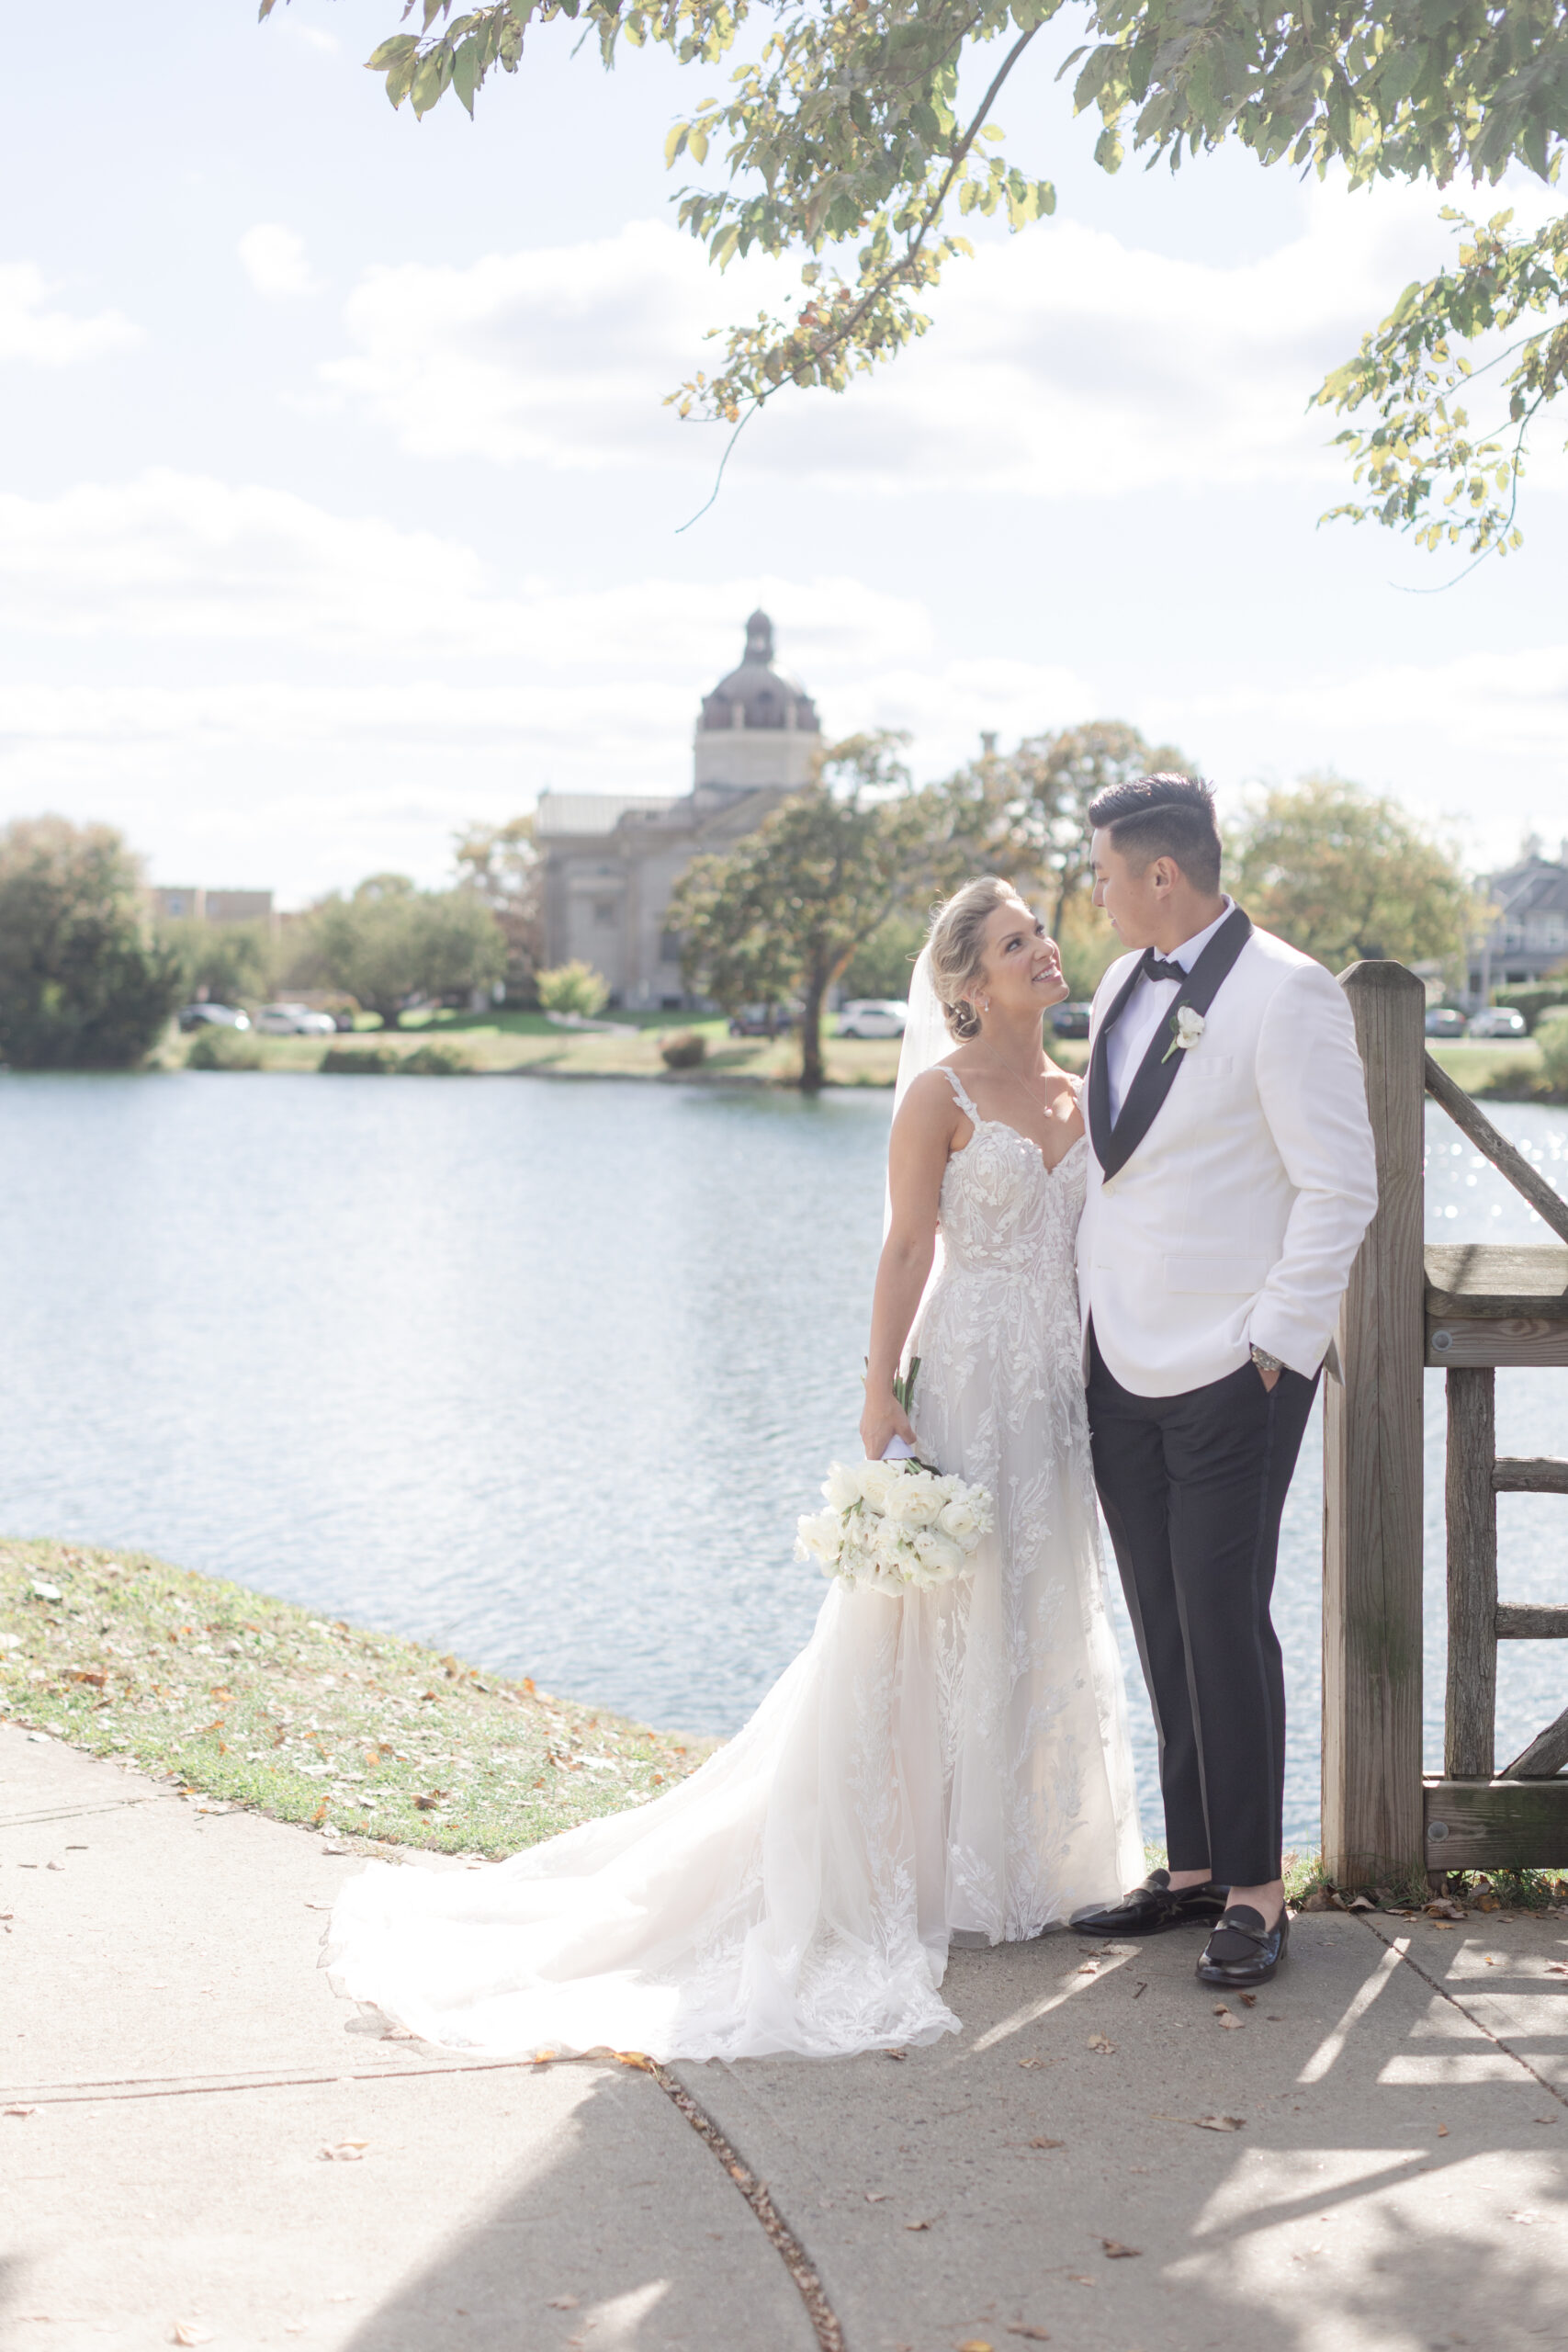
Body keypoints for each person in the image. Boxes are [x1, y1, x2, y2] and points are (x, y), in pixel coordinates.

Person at [323, 877, 1141, 2062]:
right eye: (1017, 942)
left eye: (1042, 933)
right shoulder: (940, 1095)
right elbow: (906, 1247)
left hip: (1058, 1387)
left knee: (1042, 1597)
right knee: (930, 1614)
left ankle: (1032, 1860)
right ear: (969, 982)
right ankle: (915, 1864)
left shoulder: (1083, 1090)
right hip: (966, 1371)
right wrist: (880, 1393)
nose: (1046, 950)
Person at [1068, 775, 1378, 1989]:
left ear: (1161, 874)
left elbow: (1340, 1187)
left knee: (1223, 1613)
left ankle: (1258, 1889)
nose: (1093, 893)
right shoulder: (1116, 982)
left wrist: (1275, 1344)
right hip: (1119, 1350)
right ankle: (1194, 1864)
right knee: (1160, 1608)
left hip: (1232, 1364)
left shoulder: (1289, 992)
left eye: (1103, 872)